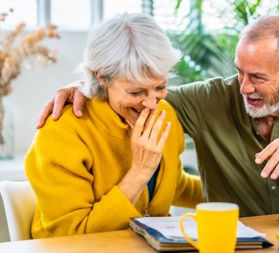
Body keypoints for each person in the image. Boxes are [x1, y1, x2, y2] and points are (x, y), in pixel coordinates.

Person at [36, 15, 279, 217]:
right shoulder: (205, 100)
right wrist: (86, 85)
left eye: (258, 77)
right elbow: (129, 91)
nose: (244, 88)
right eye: (238, 73)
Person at [25, 13, 202, 238]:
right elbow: (71, 237)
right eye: (135, 92)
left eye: (160, 87)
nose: (151, 103)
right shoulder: (61, 132)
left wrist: (248, 189)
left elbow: (174, 184)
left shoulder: (164, 113)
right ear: (102, 77)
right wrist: (139, 172)